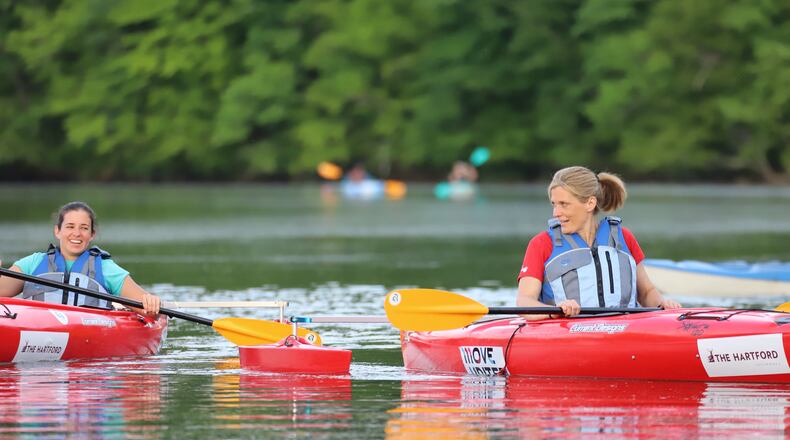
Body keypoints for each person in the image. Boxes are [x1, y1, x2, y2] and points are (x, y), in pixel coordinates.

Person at [516, 166, 681, 320]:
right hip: (565, 333)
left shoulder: (624, 237)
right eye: (554, 204)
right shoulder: (542, 244)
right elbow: (524, 301)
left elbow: (646, 292)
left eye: (564, 204)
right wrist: (554, 311)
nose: (556, 213)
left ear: (590, 203)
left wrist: (662, 305)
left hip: (625, 329)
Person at [0, 201, 161, 315]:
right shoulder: (33, 263)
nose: (76, 233)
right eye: (70, 226)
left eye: (84, 228)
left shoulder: (105, 268)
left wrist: (150, 303)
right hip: (37, 331)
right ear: (57, 231)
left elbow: (146, 308)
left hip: (88, 336)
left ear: (92, 234)